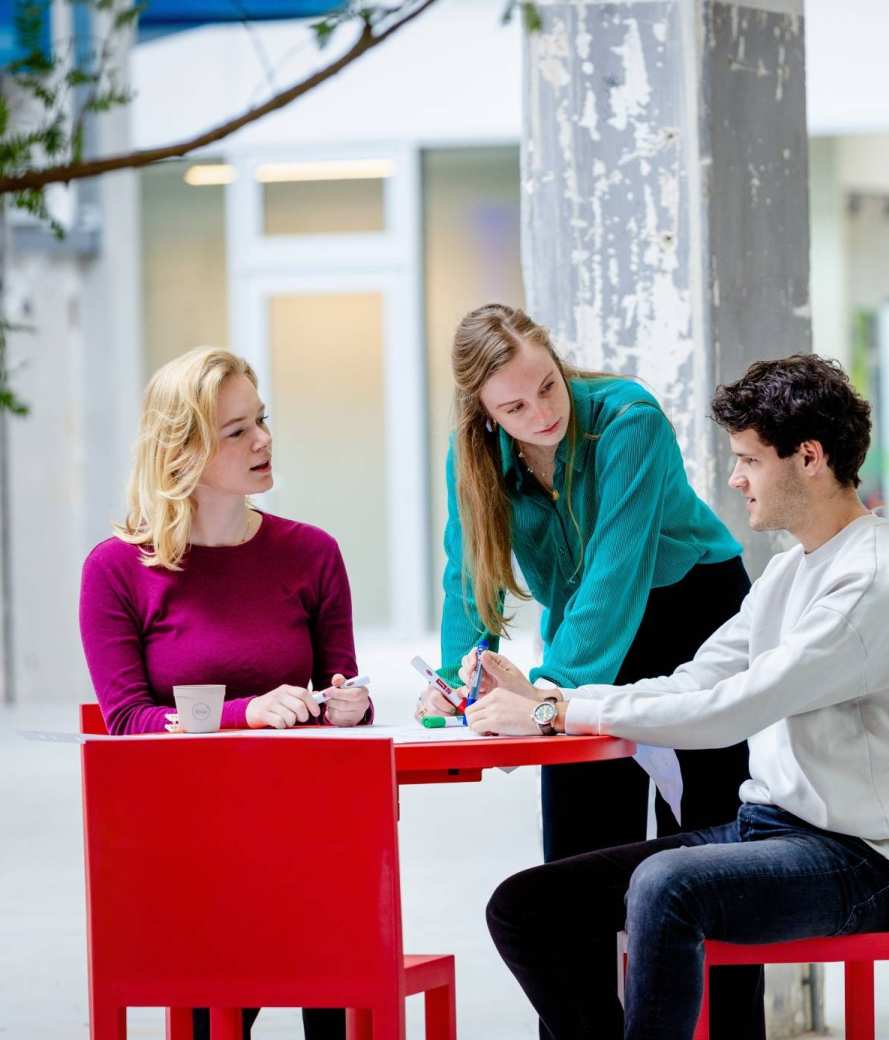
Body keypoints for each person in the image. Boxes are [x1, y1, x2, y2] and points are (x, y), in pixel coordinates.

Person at [466, 354, 889, 1040]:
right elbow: (698, 679)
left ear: (810, 457)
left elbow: (726, 713)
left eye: (749, 460)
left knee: (666, 886)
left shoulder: (868, 585)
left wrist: (553, 712)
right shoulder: (795, 568)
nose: (734, 480)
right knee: (527, 905)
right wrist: (557, 694)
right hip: (773, 834)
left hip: (858, 862)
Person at [419, 303, 762, 1038]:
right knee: (573, 867)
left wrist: (548, 695)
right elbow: (467, 574)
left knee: (716, 849)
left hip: (693, 618)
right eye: (513, 404)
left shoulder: (626, 419)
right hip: (584, 634)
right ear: (481, 410)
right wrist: (460, 675)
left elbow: (616, 570)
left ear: (556, 362)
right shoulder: (471, 456)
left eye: (547, 385)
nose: (541, 412)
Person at [79, 347, 370, 1039]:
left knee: (323, 922)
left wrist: (348, 705)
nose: (263, 439)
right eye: (236, 430)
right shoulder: (117, 569)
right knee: (233, 965)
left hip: (303, 830)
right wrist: (251, 713)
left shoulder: (313, 554)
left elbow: (342, 691)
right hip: (186, 836)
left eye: (260, 419)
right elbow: (127, 719)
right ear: (181, 450)